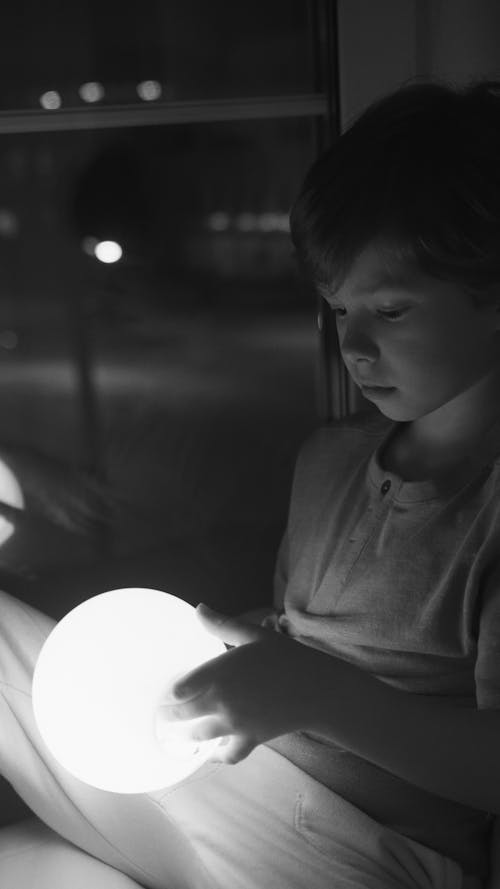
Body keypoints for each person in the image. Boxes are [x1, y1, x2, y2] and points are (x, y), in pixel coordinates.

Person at [1, 79, 500, 889]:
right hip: (238, 784)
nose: (356, 345)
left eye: (393, 309)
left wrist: (320, 695)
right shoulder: (330, 460)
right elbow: (295, 638)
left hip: (374, 845)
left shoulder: (487, 508)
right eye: (340, 311)